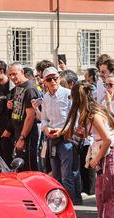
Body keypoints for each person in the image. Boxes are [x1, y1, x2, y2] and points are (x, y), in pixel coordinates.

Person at [61, 81, 114, 218]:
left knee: (110, 191)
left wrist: (96, 159)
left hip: (107, 153)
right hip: (101, 151)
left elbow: (107, 139)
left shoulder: (94, 115)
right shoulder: (89, 114)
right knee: (101, 191)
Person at [40, 66, 80, 205]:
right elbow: (44, 118)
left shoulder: (68, 94)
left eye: (55, 78)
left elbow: (75, 118)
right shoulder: (45, 97)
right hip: (52, 138)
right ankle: (58, 203)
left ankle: (70, 204)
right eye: (49, 79)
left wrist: (62, 130)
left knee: (66, 175)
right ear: (44, 82)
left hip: (66, 138)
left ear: (59, 78)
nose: (53, 81)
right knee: (55, 174)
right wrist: (46, 128)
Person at [6, 63, 41, 171]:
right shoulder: (17, 87)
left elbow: (30, 116)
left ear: (22, 72)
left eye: (14, 74)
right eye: (10, 75)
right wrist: (11, 105)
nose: (12, 77)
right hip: (18, 132)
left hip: (27, 136)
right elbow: (19, 108)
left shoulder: (30, 89)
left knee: (28, 168)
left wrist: (22, 138)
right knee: (19, 167)